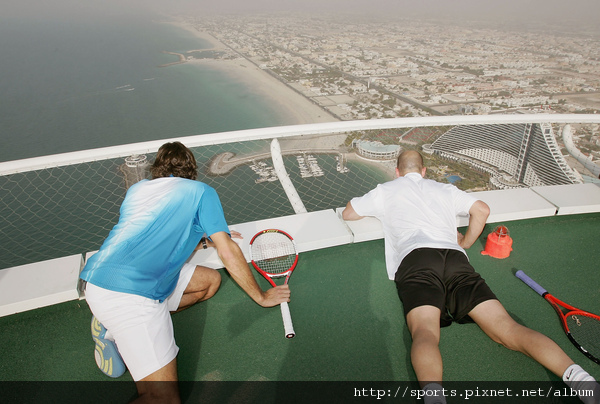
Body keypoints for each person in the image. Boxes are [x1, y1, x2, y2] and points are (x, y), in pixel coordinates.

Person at [342, 150, 598, 404]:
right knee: (508, 329)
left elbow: (349, 213)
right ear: (424, 171)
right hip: (454, 259)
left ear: (397, 171)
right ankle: (582, 381)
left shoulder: (386, 189)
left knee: (425, 333)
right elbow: (482, 209)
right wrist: (465, 241)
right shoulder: (444, 189)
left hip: (417, 258)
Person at [80, 141, 290, 403]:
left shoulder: (137, 189)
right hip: (131, 297)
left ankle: (110, 326)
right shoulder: (202, 192)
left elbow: (160, 240)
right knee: (163, 399)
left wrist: (203, 240)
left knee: (210, 282)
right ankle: (119, 330)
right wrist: (261, 296)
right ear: (193, 171)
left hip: (97, 280)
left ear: (157, 169)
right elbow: (228, 250)